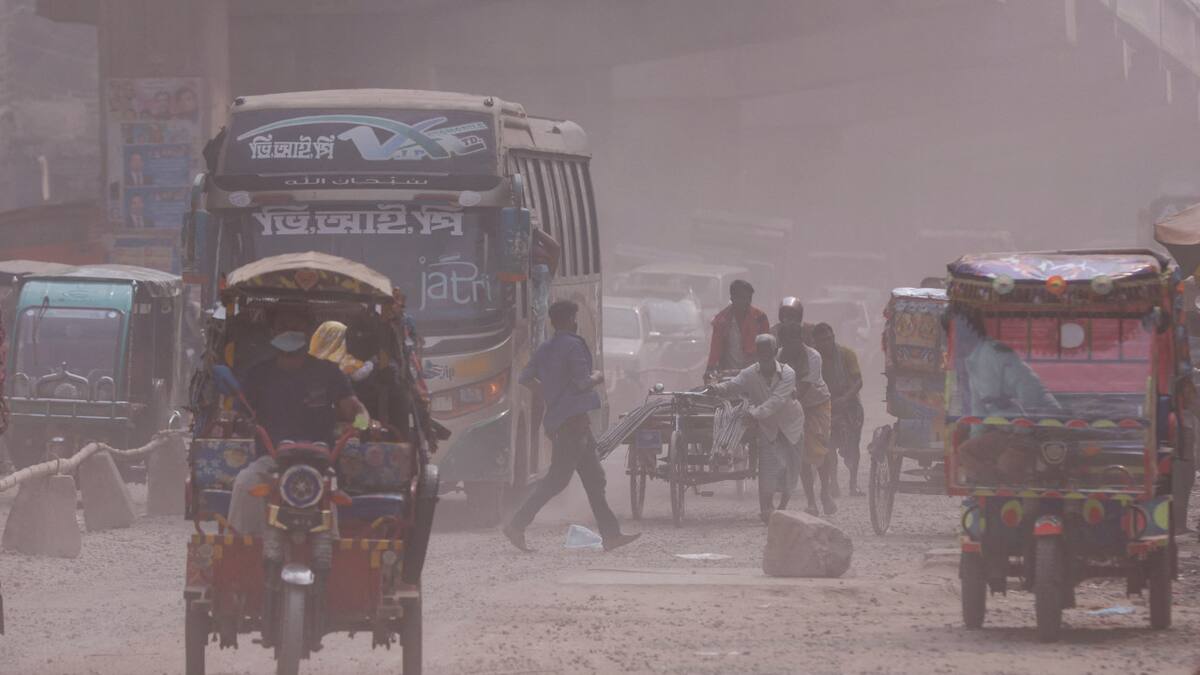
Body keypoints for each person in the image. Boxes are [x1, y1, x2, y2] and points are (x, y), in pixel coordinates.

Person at [503, 300, 640, 552]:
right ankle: (517, 524)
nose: (577, 322)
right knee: (557, 480)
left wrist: (548, 393)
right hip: (573, 424)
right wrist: (598, 376)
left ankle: (611, 535)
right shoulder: (574, 346)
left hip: (566, 422)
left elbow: (525, 378)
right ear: (569, 320)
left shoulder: (546, 348)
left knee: (594, 478)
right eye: (574, 317)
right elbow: (580, 382)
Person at [227, 308, 370, 537]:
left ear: (308, 332)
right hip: (271, 461)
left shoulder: (328, 372)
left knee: (328, 494)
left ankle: (332, 559)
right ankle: (245, 552)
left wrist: (363, 424)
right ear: (273, 332)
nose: (289, 331)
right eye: (283, 326)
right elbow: (240, 414)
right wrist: (237, 422)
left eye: (296, 327)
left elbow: (355, 409)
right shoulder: (257, 374)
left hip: (321, 463)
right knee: (245, 484)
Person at [708, 333, 806, 524]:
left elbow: (776, 401)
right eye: (760, 352)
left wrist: (753, 414)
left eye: (768, 351)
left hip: (791, 424)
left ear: (775, 351)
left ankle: (782, 507)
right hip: (768, 427)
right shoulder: (750, 373)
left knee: (790, 467)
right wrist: (715, 388)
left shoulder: (788, 374)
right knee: (768, 467)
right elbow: (733, 386)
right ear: (756, 354)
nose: (764, 355)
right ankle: (766, 509)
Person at [778, 322, 836, 516]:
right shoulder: (779, 356)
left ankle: (825, 492)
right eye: (785, 341)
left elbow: (803, 389)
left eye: (793, 340)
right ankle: (811, 501)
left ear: (801, 340)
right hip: (794, 405)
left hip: (817, 404)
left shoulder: (813, 356)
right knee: (801, 452)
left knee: (821, 449)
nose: (789, 344)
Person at [812, 323, 866, 496]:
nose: (826, 343)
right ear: (816, 343)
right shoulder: (814, 360)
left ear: (833, 337)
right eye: (822, 340)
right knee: (829, 447)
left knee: (853, 446)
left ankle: (853, 484)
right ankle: (833, 483)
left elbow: (858, 381)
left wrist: (845, 399)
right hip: (826, 407)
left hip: (850, 407)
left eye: (829, 338)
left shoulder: (847, 354)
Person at [706, 279, 770, 377]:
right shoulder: (721, 320)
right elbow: (715, 349)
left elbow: (766, 348)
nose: (746, 302)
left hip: (755, 373)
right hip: (728, 375)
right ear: (732, 298)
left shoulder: (760, 318)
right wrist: (710, 369)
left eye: (749, 298)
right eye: (742, 298)